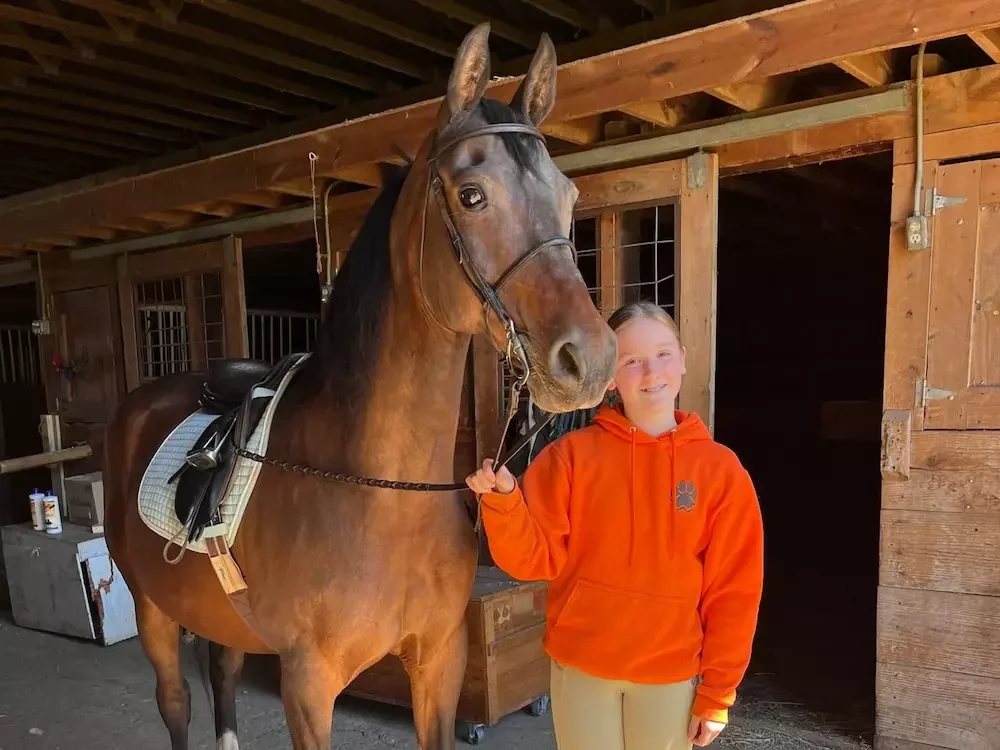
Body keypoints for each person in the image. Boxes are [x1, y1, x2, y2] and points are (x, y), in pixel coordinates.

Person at [466, 301, 764, 749]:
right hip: (581, 668)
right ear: (609, 377)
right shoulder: (570, 458)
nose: (651, 372)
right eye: (631, 361)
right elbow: (531, 559)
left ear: (683, 357)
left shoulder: (721, 472)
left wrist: (718, 692)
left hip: (668, 675)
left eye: (663, 354)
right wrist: (504, 502)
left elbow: (735, 592)